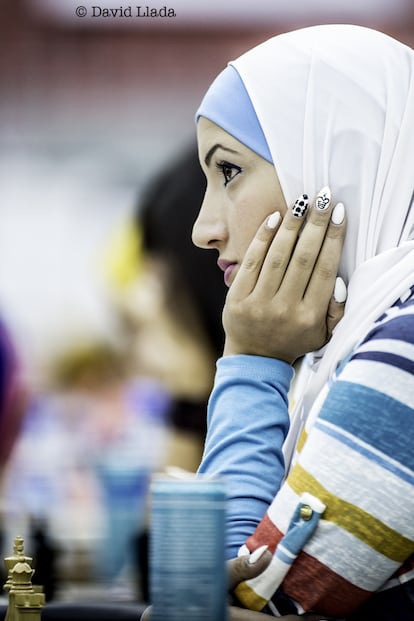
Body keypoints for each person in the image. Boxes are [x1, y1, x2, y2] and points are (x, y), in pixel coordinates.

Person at [191, 24, 414, 620]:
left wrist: (249, 360)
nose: (203, 229)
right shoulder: (371, 332)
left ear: (337, 161)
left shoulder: (406, 354)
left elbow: (232, 603)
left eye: (229, 172)